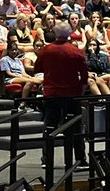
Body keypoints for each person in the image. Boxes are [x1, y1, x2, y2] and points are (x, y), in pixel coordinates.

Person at [33, 22, 89, 161]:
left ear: (55, 33)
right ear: (70, 33)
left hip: (52, 93)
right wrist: (81, 88)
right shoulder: (76, 51)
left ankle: (47, 159)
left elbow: (37, 69)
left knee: (49, 126)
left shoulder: (46, 50)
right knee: (76, 127)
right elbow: (84, 74)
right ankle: (80, 159)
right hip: (72, 93)